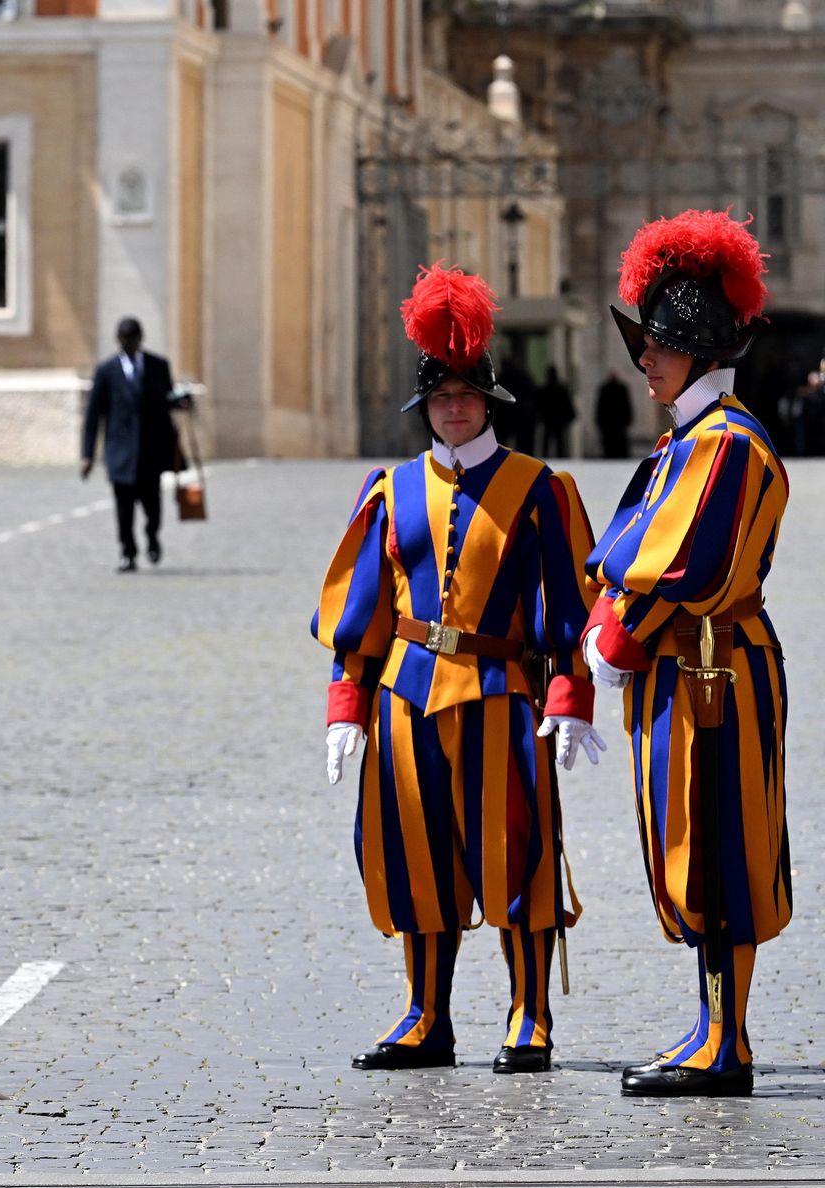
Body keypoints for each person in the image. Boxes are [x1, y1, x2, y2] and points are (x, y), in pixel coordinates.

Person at [313, 264, 603, 1075]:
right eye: (440, 395)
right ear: (425, 405)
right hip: (405, 698)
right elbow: (360, 610)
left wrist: (570, 698)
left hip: (500, 695)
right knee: (415, 858)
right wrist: (345, 706)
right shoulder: (390, 488)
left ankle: (529, 1014)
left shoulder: (541, 490)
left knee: (517, 858)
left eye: (466, 393)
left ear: (489, 399)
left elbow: (568, 612)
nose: (453, 405)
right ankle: (425, 1016)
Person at [582, 210, 788, 1098]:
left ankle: (726, 1041)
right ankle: (711, 1027)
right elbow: (628, 551)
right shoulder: (688, 441)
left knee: (721, 850)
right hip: (686, 667)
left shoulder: (728, 445)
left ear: (705, 351)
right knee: (687, 845)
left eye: (662, 347)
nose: (646, 361)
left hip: (716, 669)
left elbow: (680, 563)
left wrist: (616, 628)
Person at [81, 316, 179, 572]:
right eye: (124, 341)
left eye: (132, 340)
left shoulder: (158, 366)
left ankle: (152, 536)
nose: (128, 345)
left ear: (140, 340)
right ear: (118, 341)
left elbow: (167, 401)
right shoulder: (106, 371)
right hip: (120, 451)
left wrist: (181, 402)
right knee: (124, 509)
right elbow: (94, 415)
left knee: (152, 507)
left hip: (149, 451)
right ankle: (128, 552)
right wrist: (87, 454)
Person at [534, 366, 577, 458]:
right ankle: (561, 458)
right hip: (558, 421)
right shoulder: (561, 390)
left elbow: (538, 405)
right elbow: (567, 405)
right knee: (560, 443)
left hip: (548, 420)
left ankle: (545, 458)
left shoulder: (544, 390)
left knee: (547, 441)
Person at [594, 371, 635, 459]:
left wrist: (599, 421)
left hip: (608, 421)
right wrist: (628, 419)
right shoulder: (621, 388)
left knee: (610, 443)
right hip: (618, 421)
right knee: (617, 441)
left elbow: (600, 406)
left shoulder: (605, 389)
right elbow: (627, 406)